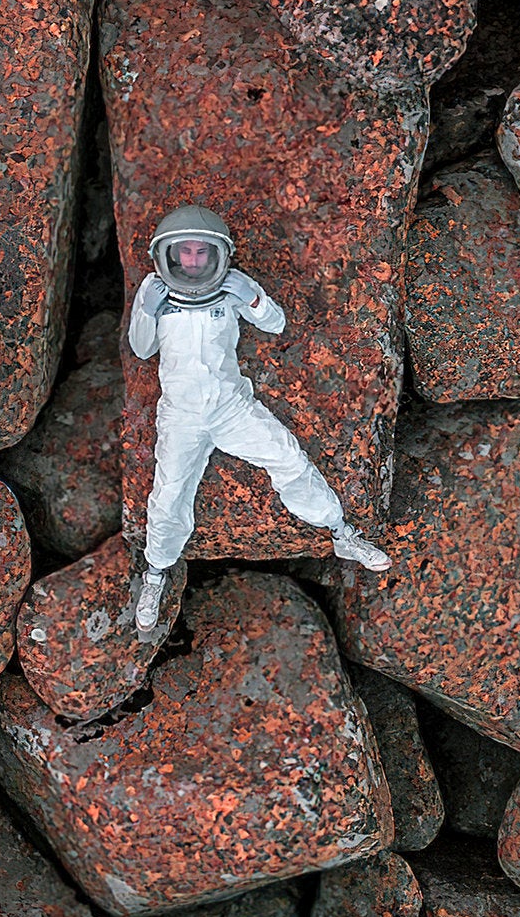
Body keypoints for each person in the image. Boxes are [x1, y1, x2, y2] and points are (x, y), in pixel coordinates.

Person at [125, 200, 388, 637]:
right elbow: (141, 349)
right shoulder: (156, 292)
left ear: (217, 254)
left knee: (287, 456)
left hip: (231, 408)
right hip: (182, 415)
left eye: (201, 252)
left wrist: (251, 295)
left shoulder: (228, 291)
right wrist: (145, 310)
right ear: (168, 254)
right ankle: (155, 574)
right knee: (169, 494)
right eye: (184, 252)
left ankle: (341, 531)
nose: (193, 260)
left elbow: (276, 325)